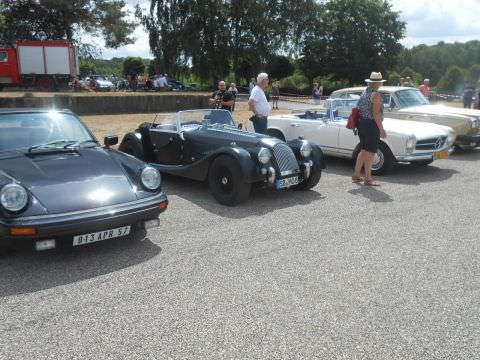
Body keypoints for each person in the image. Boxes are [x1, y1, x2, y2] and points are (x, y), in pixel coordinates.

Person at [352, 72, 387, 187]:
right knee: (370, 152)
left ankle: (357, 175)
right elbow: (376, 114)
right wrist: (381, 129)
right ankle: (368, 178)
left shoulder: (365, 92)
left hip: (361, 124)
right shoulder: (376, 95)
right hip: (371, 125)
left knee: (363, 150)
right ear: (378, 83)